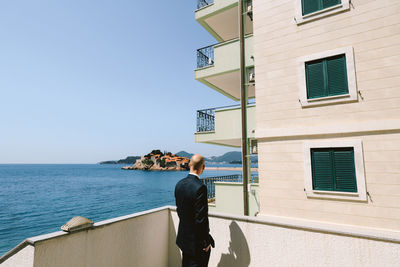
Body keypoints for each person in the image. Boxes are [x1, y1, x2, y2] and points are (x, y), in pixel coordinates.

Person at [175, 154, 215, 267]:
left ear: (189, 165)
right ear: (203, 167)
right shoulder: (200, 187)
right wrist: (205, 242)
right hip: (196, 243)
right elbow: (201, 219)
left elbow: (180, 211)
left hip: (184, 239)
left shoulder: (179, 184)